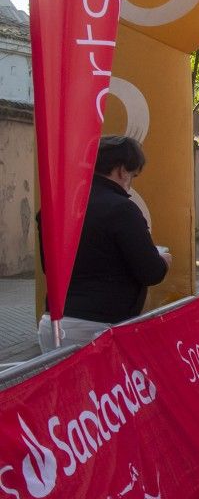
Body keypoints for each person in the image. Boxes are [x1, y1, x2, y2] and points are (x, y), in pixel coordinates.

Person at [36, 136, 171, 352]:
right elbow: (151, 272)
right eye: (133, 175)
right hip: (98, 327)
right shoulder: (121, 209)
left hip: (53, 322)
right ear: (121, 170)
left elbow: (48, 266)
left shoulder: (55, 206)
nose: (130, 184)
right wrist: (163, 261)